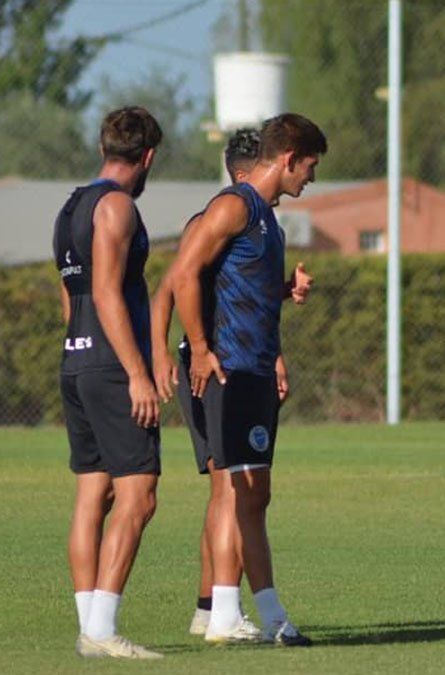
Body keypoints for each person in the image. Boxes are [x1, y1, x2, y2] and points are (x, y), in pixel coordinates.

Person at [168, 113, 327, 646]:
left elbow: (242, 287)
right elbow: (184, 273)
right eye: (309, 166)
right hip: (228, 370)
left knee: (253, 496)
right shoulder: (233, 205)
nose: (310, 177)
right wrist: (201, 350)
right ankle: (226, 616)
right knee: (237, 492)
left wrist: (285, 290)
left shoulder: (265, 218)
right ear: (287, 159)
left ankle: (266, 618)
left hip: (255, 370)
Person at [54, 106, 164, 660]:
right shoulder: (117, 206)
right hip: (112, 367)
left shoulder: (71, 206)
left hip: (75, 359)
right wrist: (139, 374)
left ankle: (89, 628)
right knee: (140, 494)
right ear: (146, 157)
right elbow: (105, 293)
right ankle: (101, 631)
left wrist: (81, 353)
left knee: (93, 493)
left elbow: (70, 294)